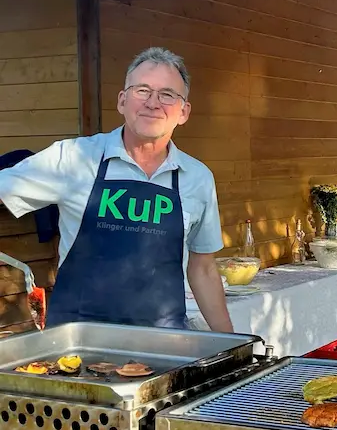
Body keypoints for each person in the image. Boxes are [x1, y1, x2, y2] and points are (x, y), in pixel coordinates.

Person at [0, 47, 233, 331]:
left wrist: (232, 343)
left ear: (183, 112)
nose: (153, 103)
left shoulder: (197, 178)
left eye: (167, 94)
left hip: (164, 344)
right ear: (122, 101)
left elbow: (203, 268)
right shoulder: (72, 158)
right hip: (78, 341)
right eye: (142, 90)